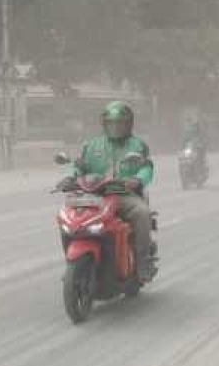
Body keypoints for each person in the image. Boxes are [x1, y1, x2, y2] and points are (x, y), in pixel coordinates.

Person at [60, 101, 156, 281]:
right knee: (67, 216)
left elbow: (146, 167)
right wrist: (71, 177)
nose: (116, 127)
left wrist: (137, 180)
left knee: (142, 212)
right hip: (93, 194)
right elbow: (80, 165)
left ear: (129, 124)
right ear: (104, 124)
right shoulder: (92, 145)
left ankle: (143, 263)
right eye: (112, 123)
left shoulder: (137, 145)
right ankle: (71, 263)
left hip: (122, 194)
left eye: (120, 123)